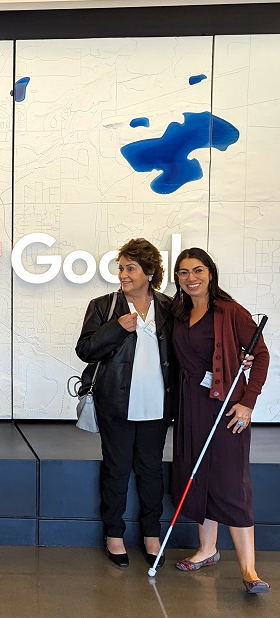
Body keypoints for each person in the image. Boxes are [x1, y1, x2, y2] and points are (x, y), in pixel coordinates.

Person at [170, 247, 270, 594]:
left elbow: (261, 355)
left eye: (197, 270)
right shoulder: (178, 313)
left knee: (230, 483)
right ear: (177, 278)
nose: (191, 278)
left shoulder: (229, 312)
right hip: (190, 408)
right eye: (183, 272)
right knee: (198, 477)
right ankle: (207, 549)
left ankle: (249, 570)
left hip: (227, 408)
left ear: (210, 273)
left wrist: (248, 403)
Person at [75, 238, 174, 569]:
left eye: (131, 268)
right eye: (121, 267)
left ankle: (151, 535)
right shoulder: (104, 305)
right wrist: (116, 329)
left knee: (151, 472)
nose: (123, 274)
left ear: (149, 271)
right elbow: (85, 350)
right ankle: (114, 534)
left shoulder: (169, 307)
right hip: (115, 404)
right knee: (115, 470)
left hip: (157, 406)